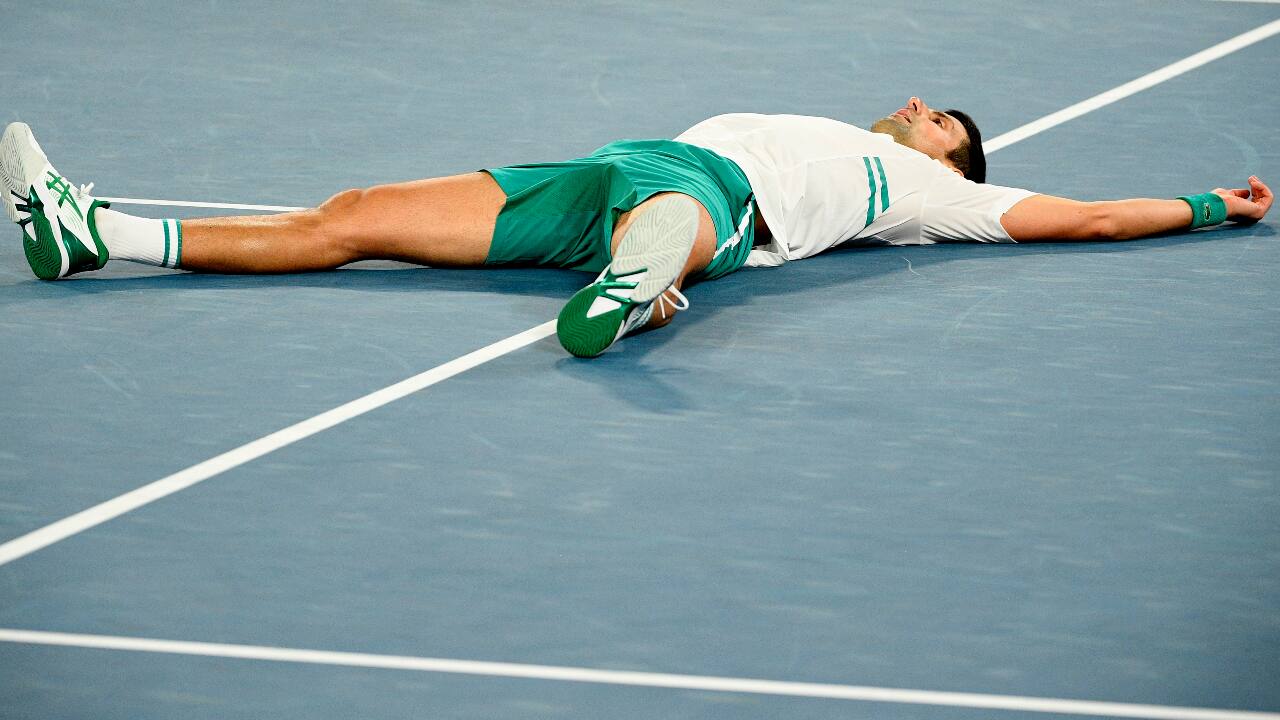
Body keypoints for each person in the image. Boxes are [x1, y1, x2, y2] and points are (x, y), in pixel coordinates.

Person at [3, 97, 1271, 357]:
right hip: (609, 169)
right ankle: (97, 237)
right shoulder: (833, 121)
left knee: (679, 215)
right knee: (356, 218)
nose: (915, 105)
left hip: (709, 203)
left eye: (938, 113)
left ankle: (627, 292)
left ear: (950, 153)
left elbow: (1096, 215)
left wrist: (1215, 204)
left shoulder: (947, 199)